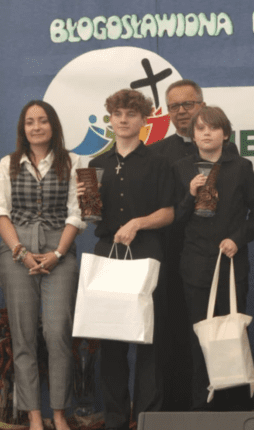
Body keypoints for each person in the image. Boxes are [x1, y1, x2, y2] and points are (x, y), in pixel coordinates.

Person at [85, 89, 175, 430]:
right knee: (110, 341)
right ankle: (115, 419)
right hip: (108, 252)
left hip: (147, 252)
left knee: (149, 338)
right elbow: (91, 216)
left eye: (131, 114)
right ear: (110, 119)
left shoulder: (158, 162)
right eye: (118, 114)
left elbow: (169, 212)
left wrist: (137, 223)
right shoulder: (96, 165)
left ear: (143, 120)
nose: (123, 120)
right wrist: (86, 205)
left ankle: (147, 417)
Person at [0, 100, 85, 430]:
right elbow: (0, 212)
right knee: (23, 336)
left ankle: (59, 413)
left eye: (42, 121)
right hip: (17, 252)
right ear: (23, 128)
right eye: (30, 122)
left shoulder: (73, 161)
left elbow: (77, 212)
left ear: (53, 125)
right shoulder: (8, 163)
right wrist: (20, 251)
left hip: (60, 250)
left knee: (57, 332)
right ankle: (33, 415)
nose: (36, 127)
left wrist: (58, 253)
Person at [173, 106, 254, 411]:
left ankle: (237, 411)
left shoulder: (242, 167)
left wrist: (238, 238)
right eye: (200, 129)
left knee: (233, 337)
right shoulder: (182, 168)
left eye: (213, 128)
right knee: (201, 341)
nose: (206, 133)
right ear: (192, 135)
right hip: (196, 265)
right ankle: (202, 410)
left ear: (225, 134)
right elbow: (175, 218)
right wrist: (190, 194)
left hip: (232, 264)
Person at [148, 79, 206, 411]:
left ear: (202, 106)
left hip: (209, 256)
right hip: (168, 256)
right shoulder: (156, 153)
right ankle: (170, 411)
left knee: (207, 334)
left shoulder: (221, 149)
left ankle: (207, 410)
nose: (181, 111)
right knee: (169, 332)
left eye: (188, 104)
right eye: (174, 106)